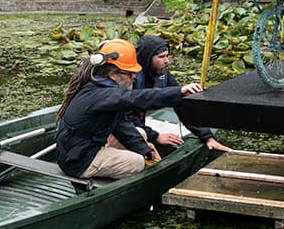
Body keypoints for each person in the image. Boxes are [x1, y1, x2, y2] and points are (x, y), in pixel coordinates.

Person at [55, 38, 204, 180]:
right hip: (78, 160)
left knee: (140, 134)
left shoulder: (100, 86)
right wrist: (179, 91)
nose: (134, 77)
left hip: (80, 148)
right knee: (136, 162)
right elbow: (138, 98)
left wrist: (145, 150)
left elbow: (121, 124)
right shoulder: (105, 95)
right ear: (113, 74)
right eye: (130, 73)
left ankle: (118, 162)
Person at [133, 33, 231, 153]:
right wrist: (155, 136)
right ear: (147, 58)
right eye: (161, 57)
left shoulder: (162, 74)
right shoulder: (131, 78)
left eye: (167, 56)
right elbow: (126, 118)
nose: (166, 61)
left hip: (139, 122)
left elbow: (181, 104)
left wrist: (206, 136)